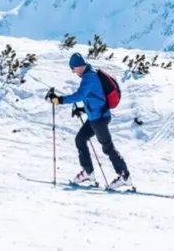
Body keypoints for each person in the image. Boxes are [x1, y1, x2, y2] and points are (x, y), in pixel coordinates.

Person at [46, 52, 132, 189]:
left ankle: (124, 175)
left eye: (73, 69)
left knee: (107, 147)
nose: (73, 72)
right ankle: (88, 172)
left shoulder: (89, 77)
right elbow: (94, 97)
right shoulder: (90, 75)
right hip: (95, 117)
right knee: (80, 139)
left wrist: (59, 100)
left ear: (77, 66)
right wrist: (83, 110)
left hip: (99, 119)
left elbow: (80, 95)